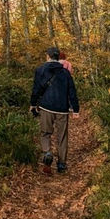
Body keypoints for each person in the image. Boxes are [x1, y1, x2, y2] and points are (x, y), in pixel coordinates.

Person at [30, 46, 80, 174]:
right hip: (62, 109)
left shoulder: (40, 70)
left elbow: (36, 89)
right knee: (62, 137)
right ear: (58, 57)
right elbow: (72, 91)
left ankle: (47, 152)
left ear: (48, 56)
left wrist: (33, 104)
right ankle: (62, 164)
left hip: (46, 107)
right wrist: (75, 109)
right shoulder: (65, 73)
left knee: (45, 133)